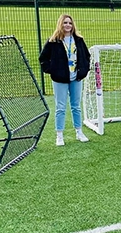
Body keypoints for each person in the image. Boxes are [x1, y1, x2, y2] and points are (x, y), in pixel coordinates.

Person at [39, 14, 91, 146]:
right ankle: (59, 135)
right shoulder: (53, 41)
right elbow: (43, 59)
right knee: (60, 107)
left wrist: (84, 70)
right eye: (65, 23)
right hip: (60, 80)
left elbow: (86, 56)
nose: (67, 25)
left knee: (76, 106)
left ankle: (79, 132)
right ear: (60, 24)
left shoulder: (78, 40)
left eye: (70, 23)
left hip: (76, 78)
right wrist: (54, 70)